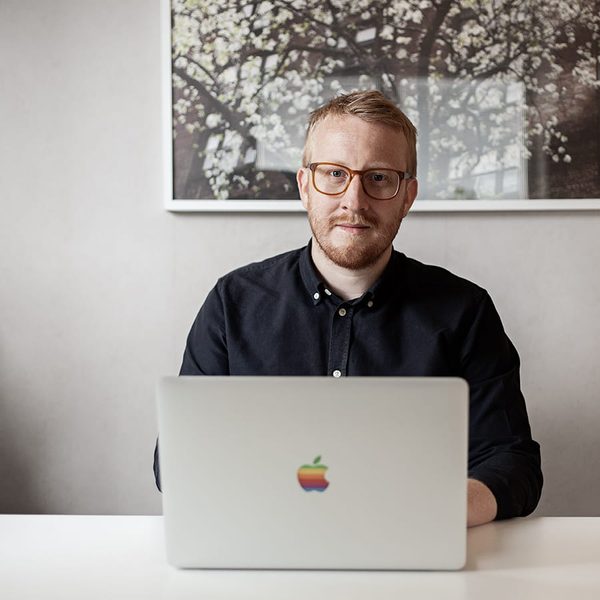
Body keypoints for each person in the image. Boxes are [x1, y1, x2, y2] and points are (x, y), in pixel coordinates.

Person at [154, 90, 543, 527]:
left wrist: (432, 512)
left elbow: (513, 463)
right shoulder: (232, 303)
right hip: (263, 546)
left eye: (378, 178)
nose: (354, 201)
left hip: (412, 550)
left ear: (407, 195)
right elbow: (175, 458)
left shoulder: (465, 311)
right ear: (305, 186)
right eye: (334, 174)